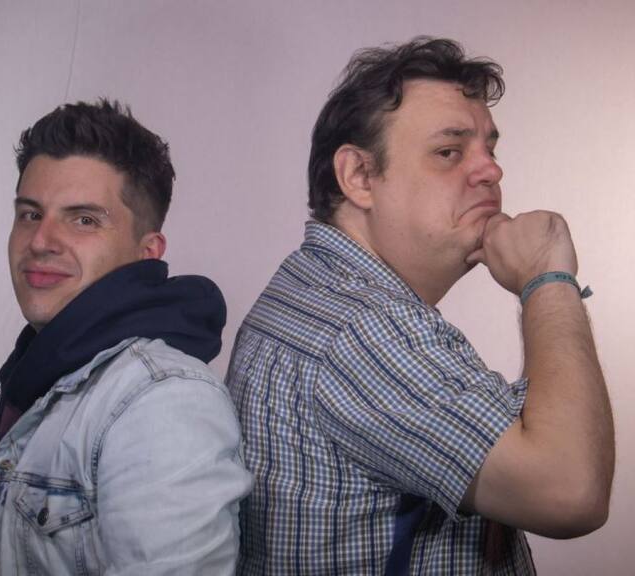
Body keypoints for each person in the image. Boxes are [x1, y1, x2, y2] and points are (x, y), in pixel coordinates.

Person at [226, 37, 614, 575]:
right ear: (359, 177)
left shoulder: (316, 292)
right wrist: (548, 279)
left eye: (490, 149)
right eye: (449, 152)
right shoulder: (365, 329)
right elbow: (570, 490)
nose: (491, 172)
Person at [0, 99, 253, 576]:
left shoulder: (162, 401)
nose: (41, 241)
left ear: (146, 253)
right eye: (30, 214)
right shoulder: (40, 369)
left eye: (84, 219)